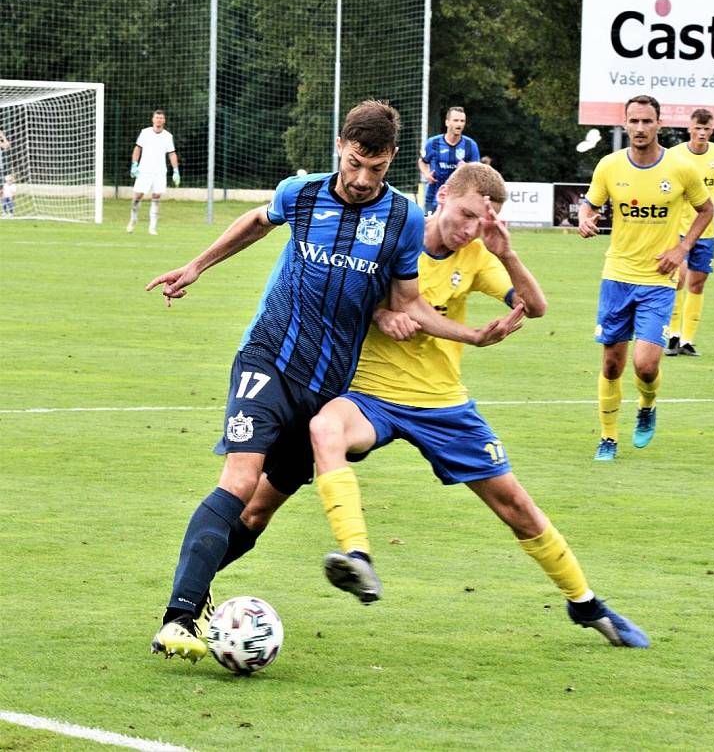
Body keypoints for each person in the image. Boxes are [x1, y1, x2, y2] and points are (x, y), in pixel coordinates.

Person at [145, 101, 523, 663]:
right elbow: (255, 222)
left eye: (376, 169)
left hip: (326, 387)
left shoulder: (402, 220)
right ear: (341, 148)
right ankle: (178, 617)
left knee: (259, 511)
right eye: (354, 164)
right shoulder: (301, 192)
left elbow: (408, 303)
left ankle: (195, 592)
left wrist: (469, 337)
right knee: (240, 480)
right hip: (268, 360)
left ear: (392, 159)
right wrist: (197, 266)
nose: (363, 180)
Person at [304, 162, 649, 647]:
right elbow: (342, 296)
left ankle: (586, 604)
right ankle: (358, 556)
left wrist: (507, 255)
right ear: (442, 195)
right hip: (372, 394)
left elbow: (537, 306)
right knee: (325, 429)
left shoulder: (477, 254)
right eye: (464, 214)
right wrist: (381, 313)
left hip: (444, 405)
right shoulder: (393, 234)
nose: (468, 229)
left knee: (518, 508)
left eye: (480, 222)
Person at [578, 95, 713, 461]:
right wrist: (584, 217)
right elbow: (589, 203)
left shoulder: (681, 168)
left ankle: (646, 405)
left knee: (646, 364)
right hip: (616, 276)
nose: (640, 128)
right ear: (625, 124)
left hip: (658, 278)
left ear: (659, 124)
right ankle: (608, 438)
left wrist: (682, 249)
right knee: (611, 364)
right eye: (634, 121)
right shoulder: (608, 166)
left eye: (647, 121)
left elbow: (706, 209)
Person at [664, 109, 714, 357]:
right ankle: (671, 335)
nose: (702, 133)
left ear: (712, 130)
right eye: (698, 128)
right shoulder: (674, 155)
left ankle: (687, 340)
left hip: (707, 230)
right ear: (689, 128)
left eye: (707, 129)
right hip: (679, 229)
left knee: (697, 284)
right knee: (678, 279)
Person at [126, 110, 180, 236]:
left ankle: (152, 227)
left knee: (156, 197)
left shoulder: (168, 136)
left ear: (164, 120)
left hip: (160, 171)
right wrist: (134, 164)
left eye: (161, 118)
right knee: (137, 196)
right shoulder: (145, 133)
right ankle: (132, 220)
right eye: (157, 117)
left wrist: (175, 170)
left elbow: (172, 153)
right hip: (144, 170)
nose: (159, 120)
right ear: (153, 119)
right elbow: (137, 148)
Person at [418, 106, 479, 215]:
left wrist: (466, 168)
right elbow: (422, 162)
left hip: (459, 197)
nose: (459, 124)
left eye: (462, 121)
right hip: (433, 195)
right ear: (447, 122)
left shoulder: (471, 145)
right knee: (430, 230)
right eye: (456, 120)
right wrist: (427, 174)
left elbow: (477, 172)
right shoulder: (433, 143)